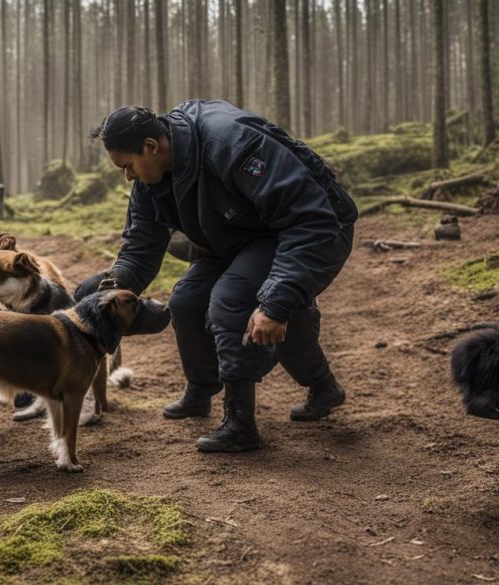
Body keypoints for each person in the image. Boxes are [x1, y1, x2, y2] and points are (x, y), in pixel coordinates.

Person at [78, 102, 357, 453]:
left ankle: (241, 423)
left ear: (150, 146)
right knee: (186, 300)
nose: (128, 176)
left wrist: (277, 301)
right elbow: (141, 247)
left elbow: (309, 218)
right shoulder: (153, 178)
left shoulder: (231, 143)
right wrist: (115, 282)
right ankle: (203, 390)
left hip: (315, 228)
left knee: (236, 300)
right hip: (242, 236)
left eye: (127, 166)